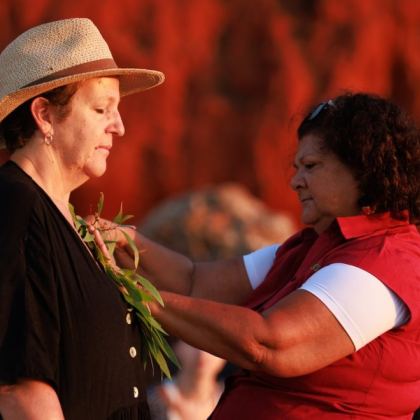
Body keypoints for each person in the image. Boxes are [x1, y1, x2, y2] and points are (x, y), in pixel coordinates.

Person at [94, 93, 420, 418]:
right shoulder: (309, 246)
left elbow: (270, 343)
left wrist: (140, 299)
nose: (295, 181)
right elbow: (194, 282)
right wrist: (124, 240)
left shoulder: (388, 259)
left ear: (362, 167)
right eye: (296, 168)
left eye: (310, 166)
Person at [0, 18, 165, 419]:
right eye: (100, 109)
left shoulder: (64, 219)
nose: (119, 127)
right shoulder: (14, 206)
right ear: (44, 115)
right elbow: (21, 391)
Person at [148, 340, 225, 420]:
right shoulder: (149, 403)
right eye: (193, 343)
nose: (202, 353)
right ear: (176, 345)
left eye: (213, 344)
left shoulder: (234, 401)